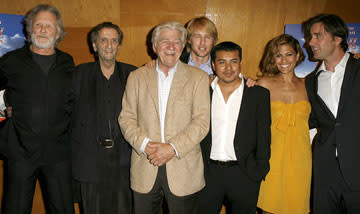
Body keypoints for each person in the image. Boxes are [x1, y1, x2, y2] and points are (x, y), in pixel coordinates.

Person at [119, 21, 210, 214]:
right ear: (154, 46)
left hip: (183, 169)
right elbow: (126, 118)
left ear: (183, 46)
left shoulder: (199, 78)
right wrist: (146, 146)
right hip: (145, 165)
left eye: (177, 42)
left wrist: (172, 148)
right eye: (165, 41)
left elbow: (201, 122)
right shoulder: (136, 76)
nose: (171, 47)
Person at [0, 4, 74, 214]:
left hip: (58, 154)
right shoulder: (10, 61)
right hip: (21, 152)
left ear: (58, 32)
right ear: (30, 29)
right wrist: (3, 113)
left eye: (48, 26)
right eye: (38, 25)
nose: (42, 30)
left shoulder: (67, 63)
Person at [71, 22, 136, 214]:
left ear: (118, 45)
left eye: (114, 40)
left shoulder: (134, 74)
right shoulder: (79, 74)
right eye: (104, 40)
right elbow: (62, 108)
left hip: (125, 158)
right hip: (90, 159)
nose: (109, 45)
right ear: (94, 45)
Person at [199, 41, 271, 214]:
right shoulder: (201, 91)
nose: (228, 68)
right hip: (207, 173)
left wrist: (260, 169)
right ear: (214, 65)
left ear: (240, 63)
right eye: (222, 62)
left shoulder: (258, 94)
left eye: (234, 61)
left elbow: (264, 135)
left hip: (244, 173)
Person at [302, 14, 360, 213]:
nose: (310, 42)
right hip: (325, 171)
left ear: (337, 39)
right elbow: (310, 120)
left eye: (318, 36)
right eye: (311, 37)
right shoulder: (311, 81)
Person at [254, 34, 311, 214]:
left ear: (298, 56)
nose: (284, 60)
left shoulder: (308, 85)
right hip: (271, 158)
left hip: (301, 159)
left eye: (289, 54)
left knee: (297, 207)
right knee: (269, 208)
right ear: (273, 58)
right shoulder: (263, 84)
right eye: (278, 55)